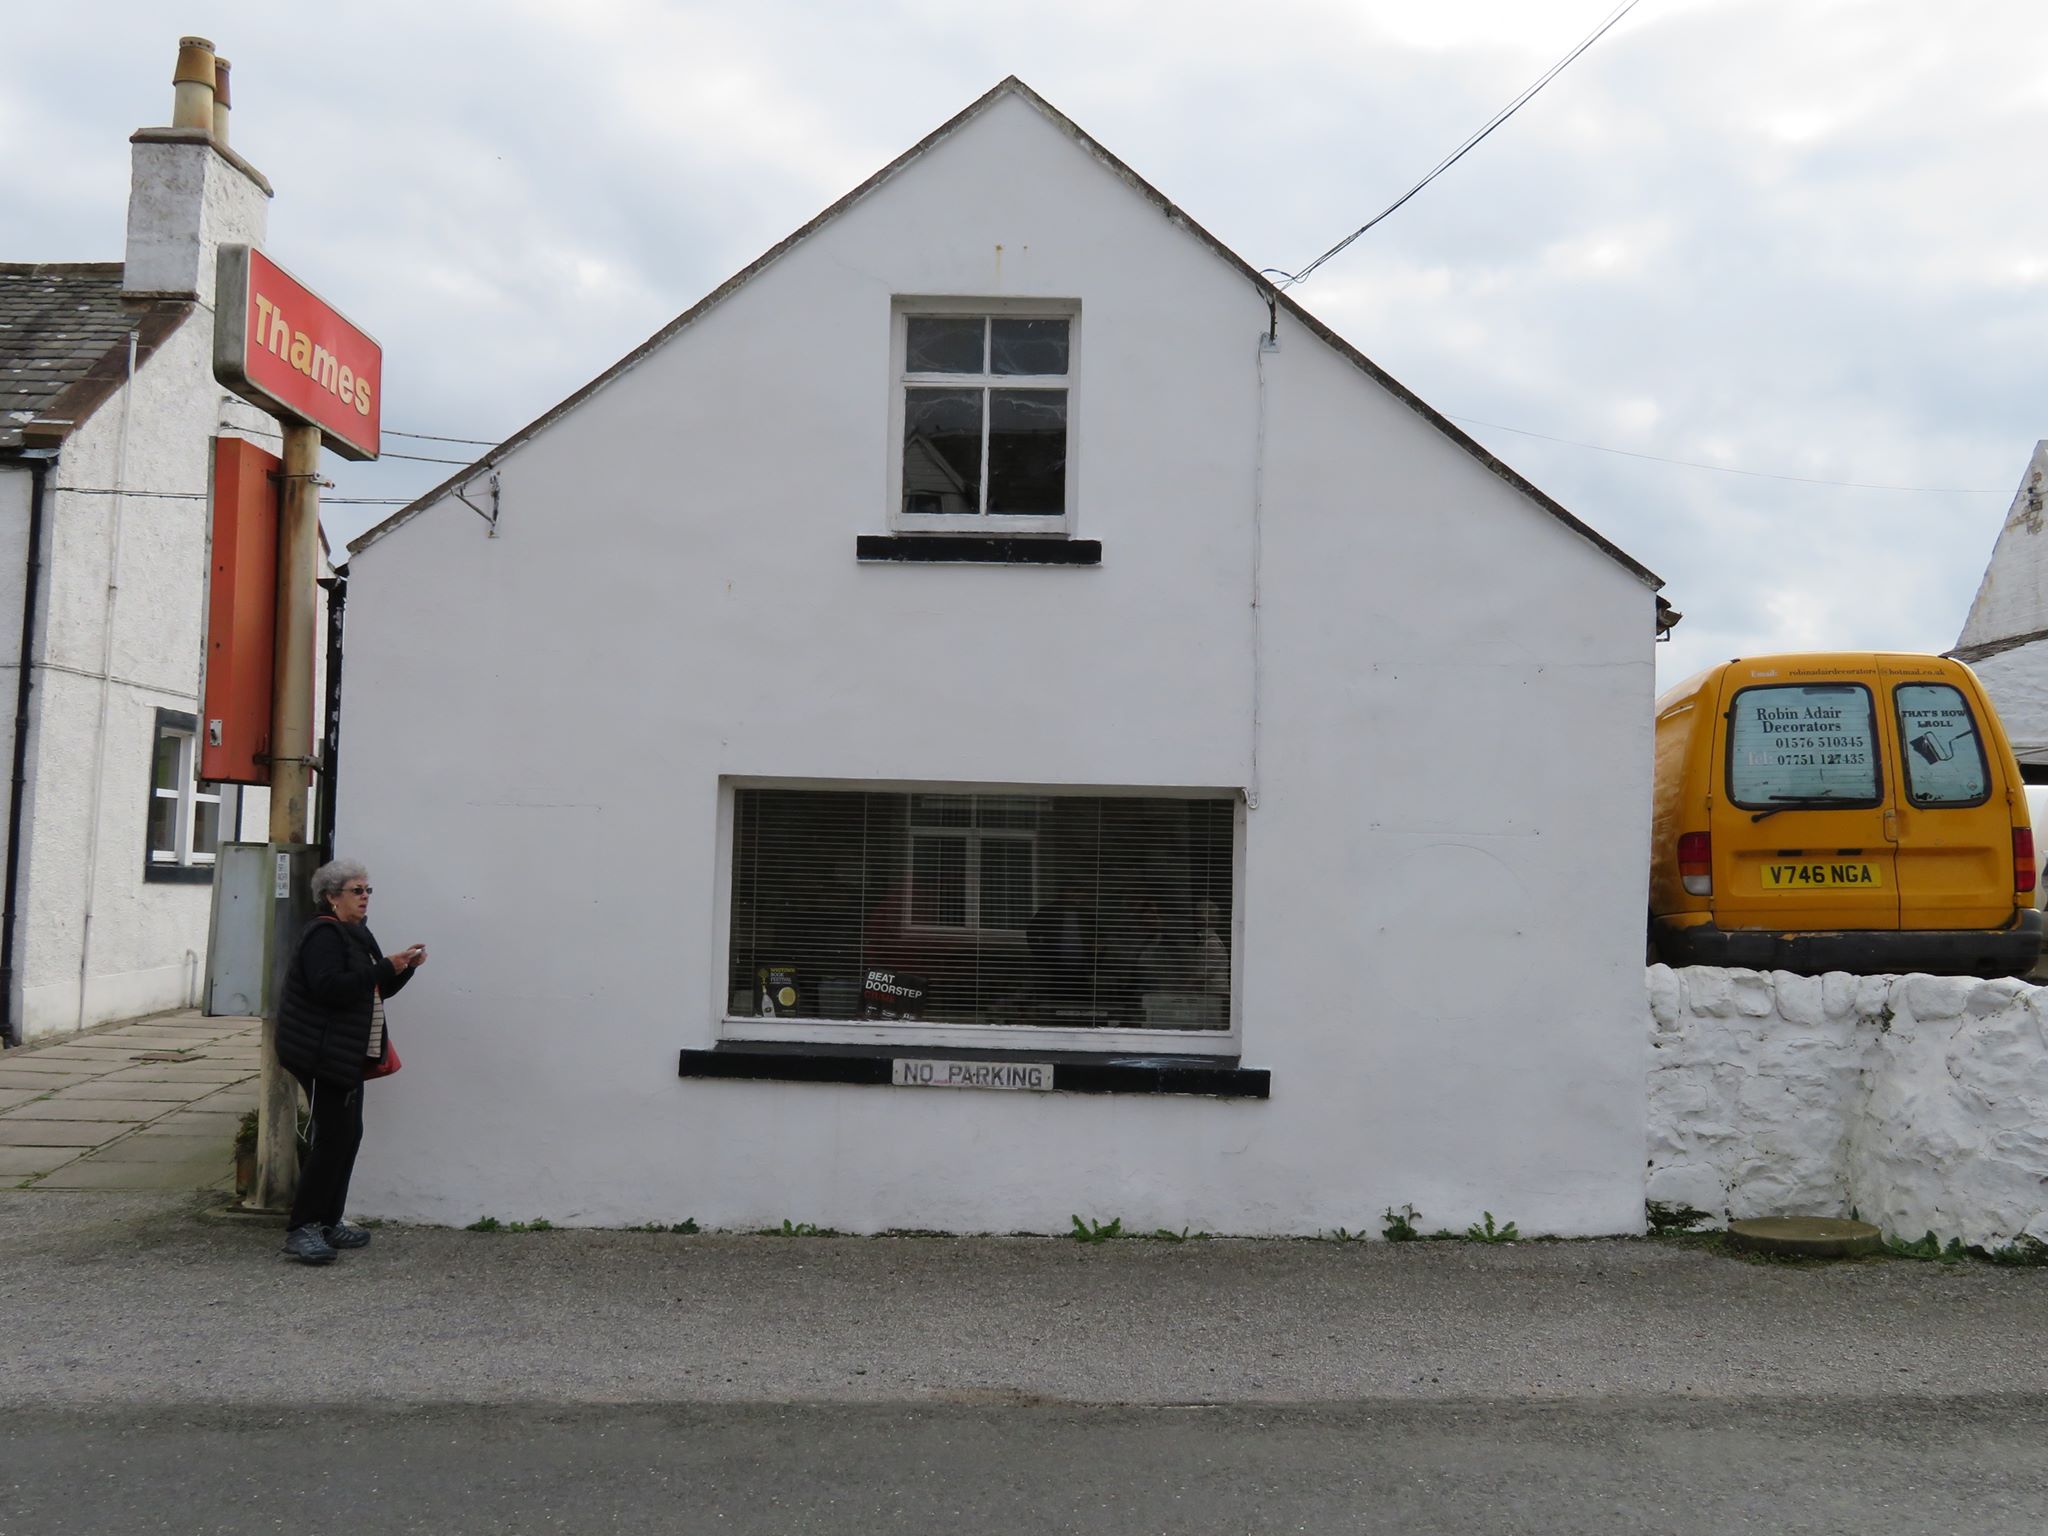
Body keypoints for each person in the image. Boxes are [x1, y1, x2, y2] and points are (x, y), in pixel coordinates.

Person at [274, 859, 426, 1265]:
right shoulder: (324, 934)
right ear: (331, 896)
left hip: (343, 1051)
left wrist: (403, 969)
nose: (364, 898)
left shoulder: (356, 933)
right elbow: (330, 988)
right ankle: (302, 1228)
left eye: (367, 891)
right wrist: (382, 967)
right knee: (332, 1138)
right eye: (356, 891)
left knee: (348, 1135)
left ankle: (328, 1221)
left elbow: (373, 989)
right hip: (319, 1052)